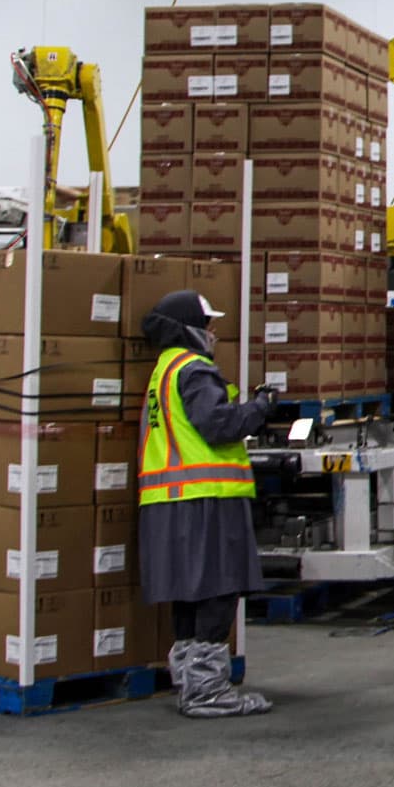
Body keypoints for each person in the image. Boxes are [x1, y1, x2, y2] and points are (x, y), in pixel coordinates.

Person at [138, 290, 278, 718]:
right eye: (208, 324)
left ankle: (190, 681)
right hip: (206, 497)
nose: (214, 332)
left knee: (190, 592)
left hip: (170, 500)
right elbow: (218, 425)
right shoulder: (193, 369)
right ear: (189, 329)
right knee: (219, 588)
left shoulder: (164, 369)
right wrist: (261, 407)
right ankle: (207, 692)